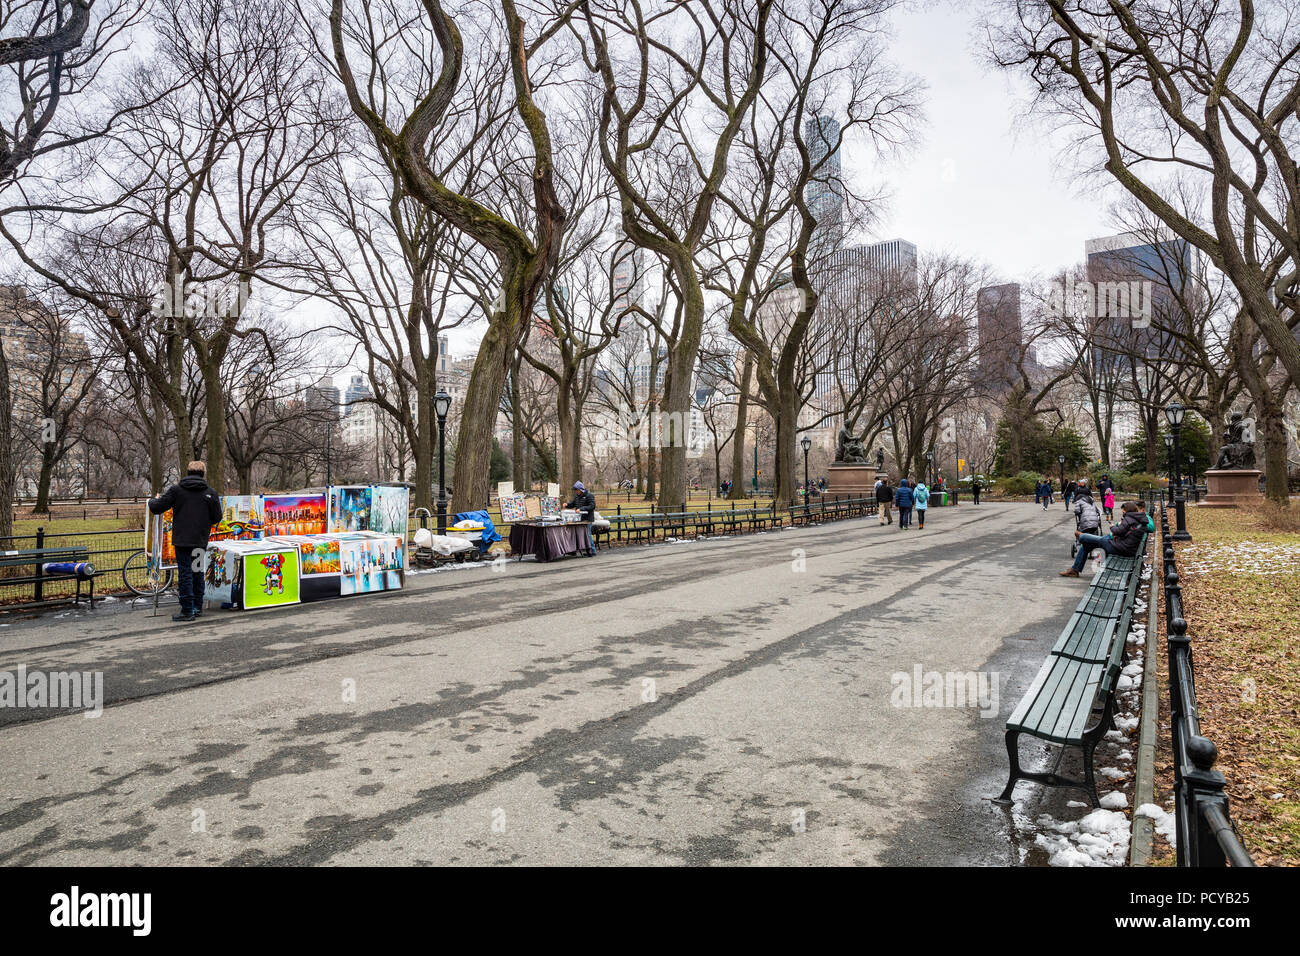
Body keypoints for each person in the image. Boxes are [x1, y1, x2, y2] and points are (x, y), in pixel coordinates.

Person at [148, 460, 222, 622]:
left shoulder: (177, 491)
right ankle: (197, 606)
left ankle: (187, 610)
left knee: (185, 573)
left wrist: (153, 500)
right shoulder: (210, 493)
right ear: (203, 474)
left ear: (187, 473)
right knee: (197, 571)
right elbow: (217, 517)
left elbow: (157, 507)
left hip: (182, 541)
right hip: (199, 540)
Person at [1060, 501, 1147, 577]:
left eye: (1123, 512)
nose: (1122, 513)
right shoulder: (1137, 519)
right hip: (1123, 546)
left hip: (1120, 548)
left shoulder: (1129, 519)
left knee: (1099, 540)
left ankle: (1083, 536)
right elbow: (1124, 533)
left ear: (1128, 511)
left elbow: (1118, 532)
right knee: (1087, 545)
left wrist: (1112, 527)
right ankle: (1075, 570)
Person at [566, 481, 598, 556]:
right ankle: (575, 550)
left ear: (581, 489)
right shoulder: (577, 497)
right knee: (577, 534)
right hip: (579, 519)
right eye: (575, 490)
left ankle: (592, 550)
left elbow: (592, 506)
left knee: (588, 534)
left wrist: (581, 509)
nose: (576, 492)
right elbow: (572, 504)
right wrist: (567, 505)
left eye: (577, 490)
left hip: (587, 519)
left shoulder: (589, 496)